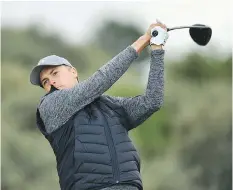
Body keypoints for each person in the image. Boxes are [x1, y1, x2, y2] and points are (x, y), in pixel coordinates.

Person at [30, 20, 168, 190]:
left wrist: (157, 49)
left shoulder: (110, 105)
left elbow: (152, 101)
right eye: (45, 81)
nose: (52, 82)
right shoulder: (50, 105)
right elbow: (98, 82)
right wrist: (143, 41)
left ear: (73, 71)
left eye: (55, 73)